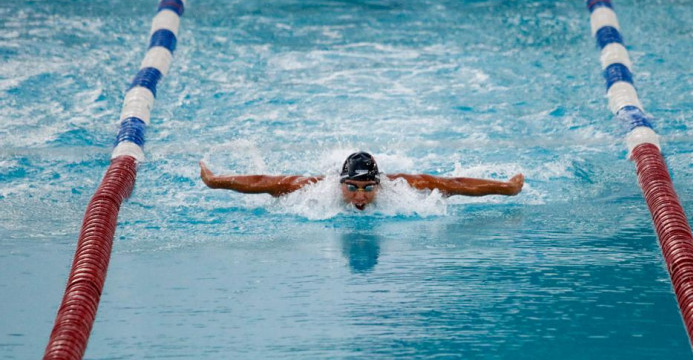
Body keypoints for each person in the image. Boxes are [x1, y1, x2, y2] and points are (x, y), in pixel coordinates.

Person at [200, 151, 524, 211]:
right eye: (352, 188)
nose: (361, 196)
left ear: (379, 184)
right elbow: (263, 182)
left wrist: (505, 188)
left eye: (369, 188)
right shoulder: (315, 188)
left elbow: (454, 185)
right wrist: (216, 181)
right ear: (340, 183)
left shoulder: (401, 187)